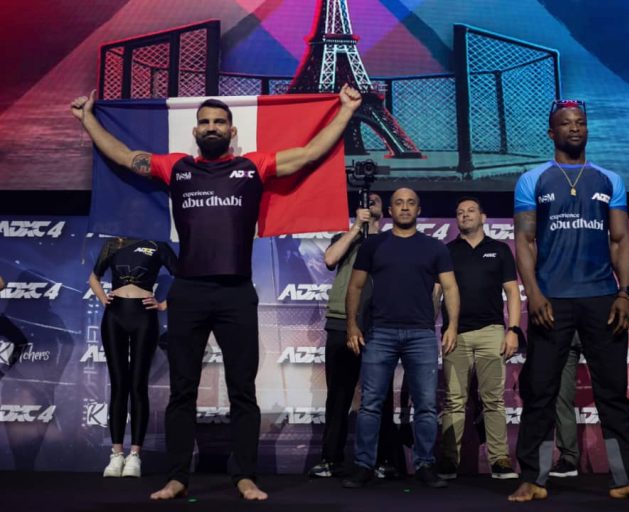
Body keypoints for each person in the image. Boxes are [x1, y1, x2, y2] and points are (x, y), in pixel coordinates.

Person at [71, 84, 362, 500]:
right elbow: (123, 156)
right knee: (182, 390)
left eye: (219, 122)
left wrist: (346, 110)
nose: (212, 127)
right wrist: (87, 119)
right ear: (195, 131)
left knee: (243, 390)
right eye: (205, 122)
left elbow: (310, 153)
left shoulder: (253, 165)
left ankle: (244, 476)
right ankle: (177, 477)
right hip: (189, 291)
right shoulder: (176, 167)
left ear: (231, 130)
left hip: (236, 293)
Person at [508, 99, 629, 501]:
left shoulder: (610, 179)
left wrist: (625, 292)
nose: (574, 128)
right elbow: (524, 241)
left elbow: (620, 240)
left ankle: (624, 478)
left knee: (613, 392)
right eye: (566, 123)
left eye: (580, 122)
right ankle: (534, 478)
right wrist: (534, 293)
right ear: (551, 132)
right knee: (541, 392)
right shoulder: (532, 180)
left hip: (602, 300)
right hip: (552, 301)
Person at [343, 187, 460, 489]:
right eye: (398, 203)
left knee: (426, 405)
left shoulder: (435, 247)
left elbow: (450, 288)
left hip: (421, 334)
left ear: (418, 210)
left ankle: (425, 464)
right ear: (390, 210)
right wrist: (352, 326)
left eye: (410, 203)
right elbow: (355, 287)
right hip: (380, 332)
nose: (405, 207)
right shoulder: (374, 245)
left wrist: (452, 326)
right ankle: (363, 465)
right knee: (370, 404)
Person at [309, 193, 403, 479]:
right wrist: (355, 229)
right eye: (366, 201)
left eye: (376, 201)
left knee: (380, 396)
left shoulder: (392, 241)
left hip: (379, 325)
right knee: (339, 396)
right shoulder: (345, 237)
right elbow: (329, 259)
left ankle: (384, 460)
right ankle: (331, 459)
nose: (370, 204)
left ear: (385, 211)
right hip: (341, 322)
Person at [436, 196, 522, 480]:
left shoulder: (500, 250)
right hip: (455, 334)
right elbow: (436, 292)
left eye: (471, 210)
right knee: (454, 401)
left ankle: (499, 460)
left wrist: (513, 330)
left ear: (483, 217)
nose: (465, 215)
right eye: (460, 212)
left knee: (493, 400)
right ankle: (449, 461)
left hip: (491, 332)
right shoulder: (446, 251)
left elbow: (512, 292)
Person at [88, 236, 177, 478]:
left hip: (144, 316)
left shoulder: (158, 246)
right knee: (119, 385)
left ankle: (135, 455)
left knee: (138, 385)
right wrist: (103, 298)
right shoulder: (113, 244)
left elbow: (184, 277)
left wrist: (164, 304)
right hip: (114, 316)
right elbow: (93, 277)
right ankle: (116, 454)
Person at [550, 333, 629, 479]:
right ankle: (568, 458)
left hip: (596, 327)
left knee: (612, 394)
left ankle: (626, 458)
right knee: (561, 395)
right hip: (564, 330)